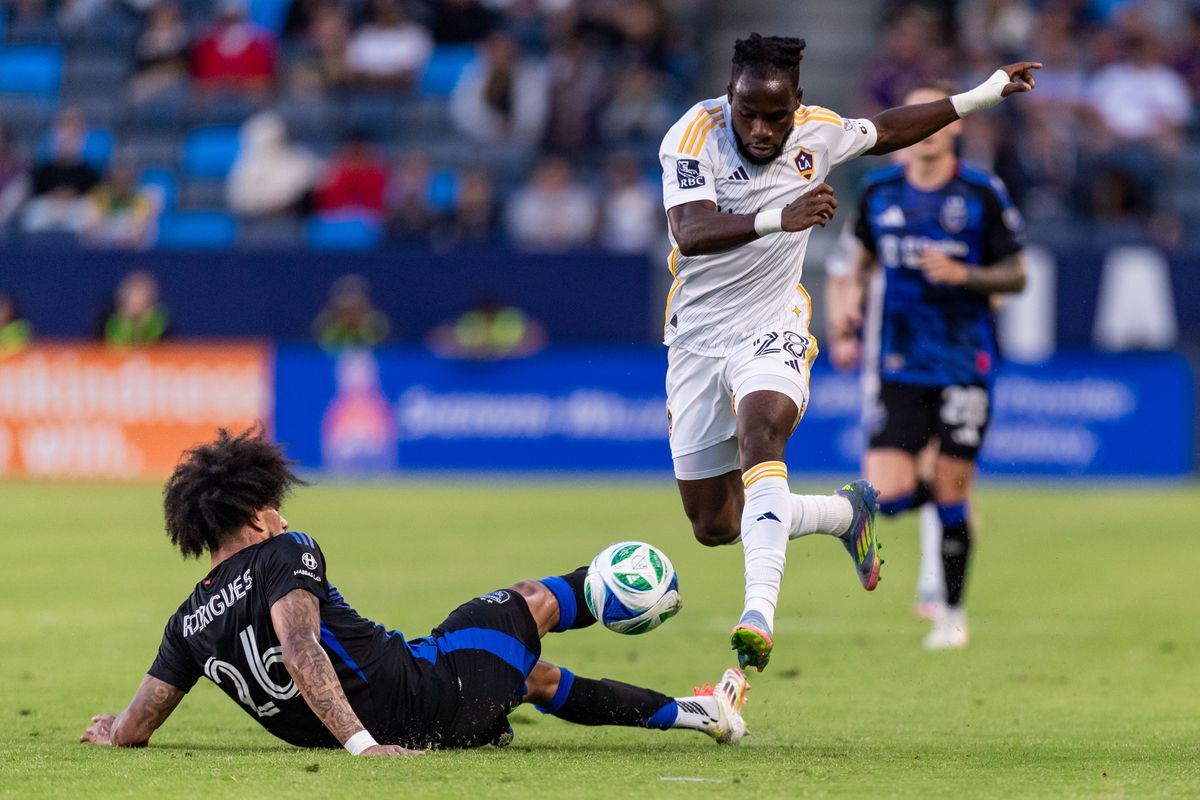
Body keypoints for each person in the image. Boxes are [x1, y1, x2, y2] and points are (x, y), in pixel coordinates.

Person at [657, 32, 1038, 670]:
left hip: (772, 324)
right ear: (730, 96)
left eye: (776, 116)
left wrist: (981, 95)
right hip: (696, 338)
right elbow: (690, 231)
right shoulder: (691, 137)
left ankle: (758, 615)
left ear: (797, 104)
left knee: (762, 436)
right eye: (748, 112)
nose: (760, 128)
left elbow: (888, 129)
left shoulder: (819, 132)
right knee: (715, 524)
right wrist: (785, 216)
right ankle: (841, 514)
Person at [79, 428, 751, 753]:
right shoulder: (285, 549)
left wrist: (111, 733)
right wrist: (361, 746)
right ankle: (620, 587)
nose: (283, 516)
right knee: (527, 601)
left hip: (432, 705)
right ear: (257, 515)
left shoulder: (188, 621)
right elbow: (300, 645)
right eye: (276, 506)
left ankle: (703, 716)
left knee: (534, 678)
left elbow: (138, 725)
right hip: (431, 693)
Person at [825, 80, 1027, 650]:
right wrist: (844, 320)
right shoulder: (881, 191)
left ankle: (952, 614)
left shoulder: (981, 193)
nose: (926, 127)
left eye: (934, 115)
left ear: (956, 124)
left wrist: (966, 275)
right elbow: (852, 263)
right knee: (881, 496)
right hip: (899, 365)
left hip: (965, 364)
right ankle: (943, 497)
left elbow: (1017, 274)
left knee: (952, 482)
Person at [312, 274, 391, 350]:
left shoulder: (377, 323)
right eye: (346, 311)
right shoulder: (325, 322)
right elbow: (323, 348)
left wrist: (362, 329)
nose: (351, 315)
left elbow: (384, 349)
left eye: (356, 309)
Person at [98, 271, 170, 347]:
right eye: (133, 295)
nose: (136, 301)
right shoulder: (107, 320)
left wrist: (144, 325)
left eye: (141, 295)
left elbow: (167, 349)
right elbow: (111, 346)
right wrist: (125, 321)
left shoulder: (161, 322)